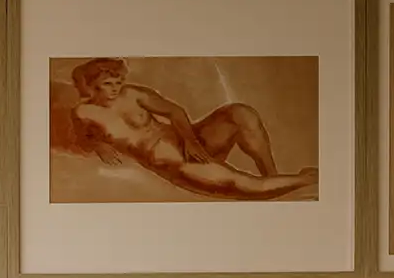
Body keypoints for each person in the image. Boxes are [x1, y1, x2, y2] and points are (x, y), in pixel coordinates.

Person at [65, 57, 317, 200]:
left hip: (192, 142)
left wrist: (192, 141)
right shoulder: (83, 113)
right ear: (92, 85)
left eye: (118, 82)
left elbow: (174, 112)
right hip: (178, 164)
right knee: (251, 188)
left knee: (240, 113)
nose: (115, 88)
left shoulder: (134, 94)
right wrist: (99, 145)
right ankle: (309, 179)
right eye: (108, 83)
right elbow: (84, 140)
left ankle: (272, 175)